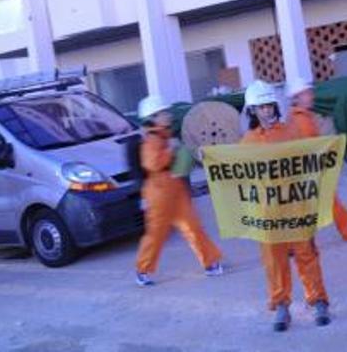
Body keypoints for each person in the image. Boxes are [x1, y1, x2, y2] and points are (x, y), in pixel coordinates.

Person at [241, 80, 330, 332]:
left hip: (295, 206)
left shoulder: (291, 132)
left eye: (270, 106)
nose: (267, 112)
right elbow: (237, 173)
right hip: (268, 212)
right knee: (274, 258)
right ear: (252, 111)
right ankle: (280, 305)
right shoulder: (247, 142)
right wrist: (212, 159)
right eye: (261, 108)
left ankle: (318, 300)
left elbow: (308, 161)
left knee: (306, 254)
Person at [134, 95, 224, 287]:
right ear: (153, 117)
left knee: (193, 226)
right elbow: (152, 163)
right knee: (156, 234)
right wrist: (172, 152)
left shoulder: (164, 136)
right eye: (163, 113)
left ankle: (210, 262)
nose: (167, 115)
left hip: (174, 188)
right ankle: (143, 270)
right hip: (159, 192)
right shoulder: (152, 139)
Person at [285, 77, 347, 241]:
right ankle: (293, 243)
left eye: (310, 92)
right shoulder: (301, 120)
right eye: (307, 93)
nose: (311, 96)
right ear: (297, 98)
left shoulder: (302, 117)